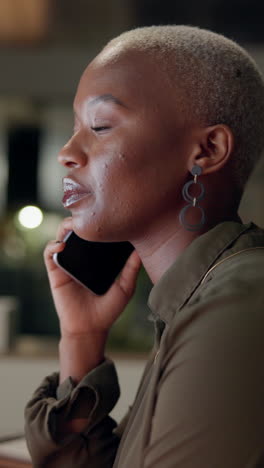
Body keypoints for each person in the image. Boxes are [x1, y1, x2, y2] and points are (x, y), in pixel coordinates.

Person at [24, 25, 264, 467]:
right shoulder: (195, 302)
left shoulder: (237, 308)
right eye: (76, 127)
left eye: (100, 125)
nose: (67, 152)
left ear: (207, 150)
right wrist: (82, 337)